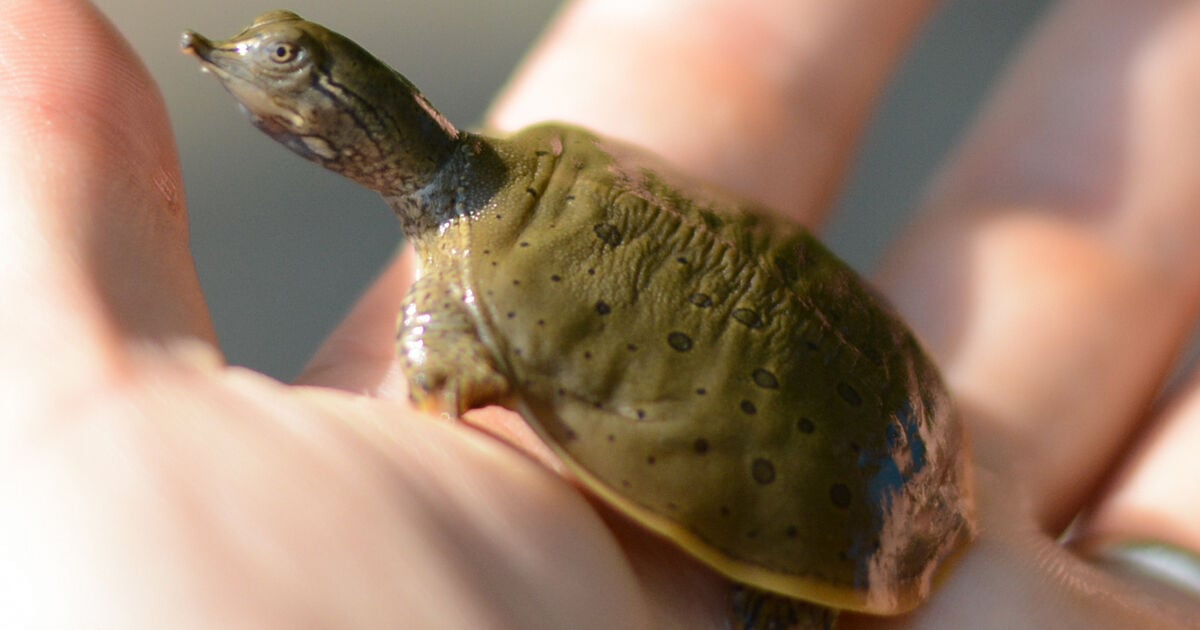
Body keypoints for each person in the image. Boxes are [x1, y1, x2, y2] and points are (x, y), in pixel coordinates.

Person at [1, 0, 1197, 627]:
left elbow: (440, 376)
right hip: (895, 408)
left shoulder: (463, 295)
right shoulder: (552, 168)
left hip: (835, 499)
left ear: (333, 135)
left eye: (293, 81)